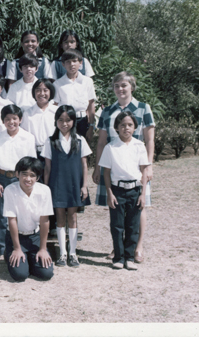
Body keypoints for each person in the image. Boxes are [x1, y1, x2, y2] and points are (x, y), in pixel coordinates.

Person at [92, 71, 155, 263]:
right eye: (117, 85)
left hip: (137, 167)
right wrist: (97, 167)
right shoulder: (107, 111)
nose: (120, 89)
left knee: (139, 206)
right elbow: (102, 142)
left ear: (132, 87)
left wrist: (149, 166)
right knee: (116, 209)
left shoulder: (143, 108)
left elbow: (150, 139)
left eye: (124, 85)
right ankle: (118, 249)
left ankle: (138, 247)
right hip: (115, 165)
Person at [99, 111, 150, 270]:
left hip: (135, 190)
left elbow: (144, 171)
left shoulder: (139, 146)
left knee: (132, 225)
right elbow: (106, 173)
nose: (126, 128)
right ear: (116, 128)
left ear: (135, 127)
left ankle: (129, 257)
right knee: (117, 226)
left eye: (130, 125)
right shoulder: (110, 147)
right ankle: (118, 258)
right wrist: (110, 193)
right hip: (117, 190)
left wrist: (143, 195)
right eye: (122, 125)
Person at [42, 105, 91, 267]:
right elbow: (47, 167)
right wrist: (46, 188)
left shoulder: (80, 140)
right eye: (61, 120)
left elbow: (84, 165)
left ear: (73, 121)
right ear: (56, 121)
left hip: (74, 185)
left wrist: (84, 186)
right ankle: (62, 253)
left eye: (68, 120)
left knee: (73, 217)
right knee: (60, 218)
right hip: (57, 185)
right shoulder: (50, 141)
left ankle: (73, 253)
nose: (64, 124)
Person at [0, 104, 37, 259]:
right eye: (7, 119)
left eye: (14, 119)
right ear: (3, 121)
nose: (11, 122)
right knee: (3, 216)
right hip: (4, 178)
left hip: (22, 179)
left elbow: (31, 163)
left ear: (20, 119)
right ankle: (3, 249)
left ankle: (21, 247)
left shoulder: (28, 137)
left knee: (22, 212)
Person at [3, 157, 54, 281]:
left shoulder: (44, 190)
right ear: (17, 174)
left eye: (32, 175)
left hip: (35, 237)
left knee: (46, 274)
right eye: (24, 174)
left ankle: (30, 258)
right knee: (20, 275)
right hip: (16, 237)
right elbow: (12, 220)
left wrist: (42, 249)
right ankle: (12, 253)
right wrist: (17, 248)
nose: (28, 179)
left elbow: (44, 220)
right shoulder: (10, 190)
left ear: (37, 177)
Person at [52, 49, 96, 141]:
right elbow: (55, 105)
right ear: (63, 64)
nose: (71, 64)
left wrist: (91, 126)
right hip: (65, 122)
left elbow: (91, 104)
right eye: (68, 62)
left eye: (75, 61)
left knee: (83, 150)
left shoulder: (87, 82)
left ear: (80, 63)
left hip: (82, 121)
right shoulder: (58, 84)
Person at [20, 79, 58, 161]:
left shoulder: (56, 112)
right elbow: (24, 136)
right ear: (34, 92)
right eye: (38, 90)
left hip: (54, 152)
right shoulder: (28, 113)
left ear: (51, 92)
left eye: (45, 90)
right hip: (35, 153)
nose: (42, 93)